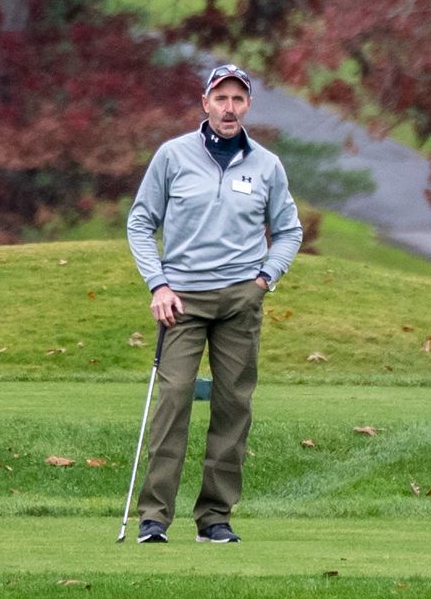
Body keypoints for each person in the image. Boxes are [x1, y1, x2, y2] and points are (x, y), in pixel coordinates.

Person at [126, 62, 302, 544]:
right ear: (205, 103)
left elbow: (289, 231)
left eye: (238, 99)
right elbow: (141, 223)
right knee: (174, 398)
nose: (229, 108)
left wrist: (265, 279)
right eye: (221, 99)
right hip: (180, 299)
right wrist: (158, 285)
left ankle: (214, 517)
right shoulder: (173, 156)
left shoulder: (266, 164)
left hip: (241, 298)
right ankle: (155, 515)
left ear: (248, 106)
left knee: (232, 406)